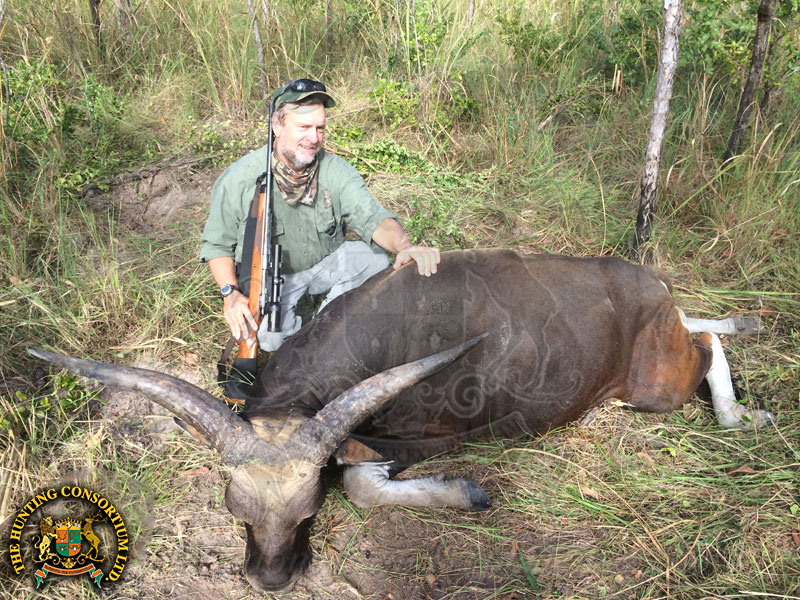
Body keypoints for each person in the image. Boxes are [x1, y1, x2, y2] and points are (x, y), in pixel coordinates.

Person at [200, 78, 440, 351]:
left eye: (320, 128)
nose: (313, 138)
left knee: (372, 259)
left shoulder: (336, 170)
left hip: (323, 264)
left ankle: (325, 328)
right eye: (303, 127)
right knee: (269, 340)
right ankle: (303, 337)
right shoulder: (239, 178)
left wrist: (404, 246)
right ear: (278, 126)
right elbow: (217, 244)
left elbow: (372, 217)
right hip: (274, 279)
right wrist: (229, 293)